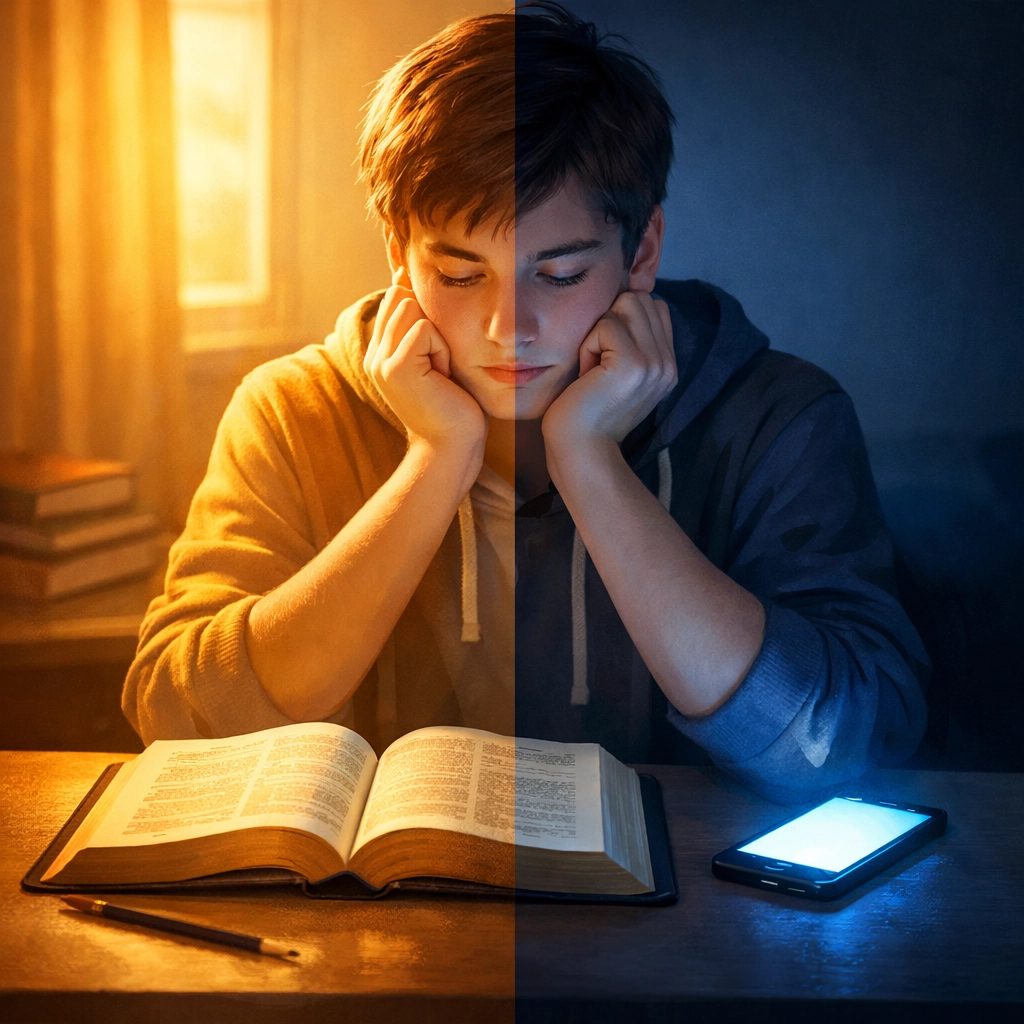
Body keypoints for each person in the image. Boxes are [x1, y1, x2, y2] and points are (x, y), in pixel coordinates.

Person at [123, 3, 928, 803]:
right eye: (461, 275)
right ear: (399, 252)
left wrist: (591, 464)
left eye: (562, 273)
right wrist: (435, 459)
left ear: (641, 249)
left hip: (706, 914)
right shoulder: (292, 412)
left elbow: (851, 742)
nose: (511, 328)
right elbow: (180, 721)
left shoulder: (781, 417)